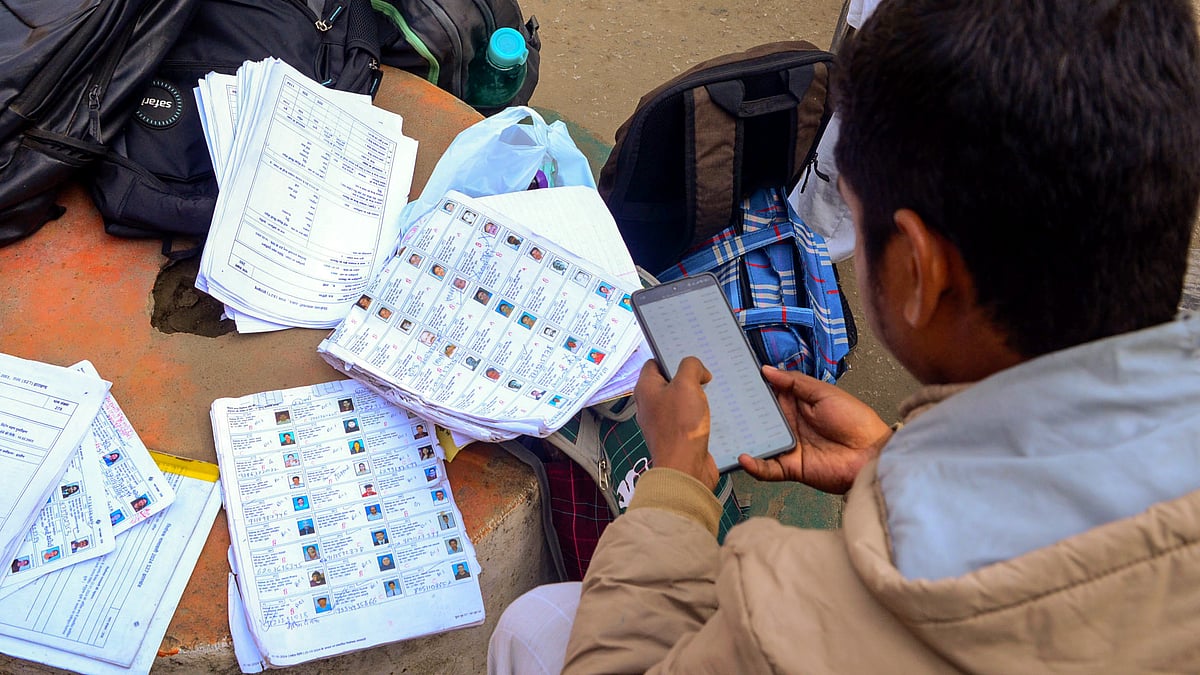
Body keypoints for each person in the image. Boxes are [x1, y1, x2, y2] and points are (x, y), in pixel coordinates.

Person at [488, 2, 1200, 673]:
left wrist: (674, 487)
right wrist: (895, 455)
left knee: (530, 630)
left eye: (855, 217)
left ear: (918, 271)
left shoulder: (794, 614)